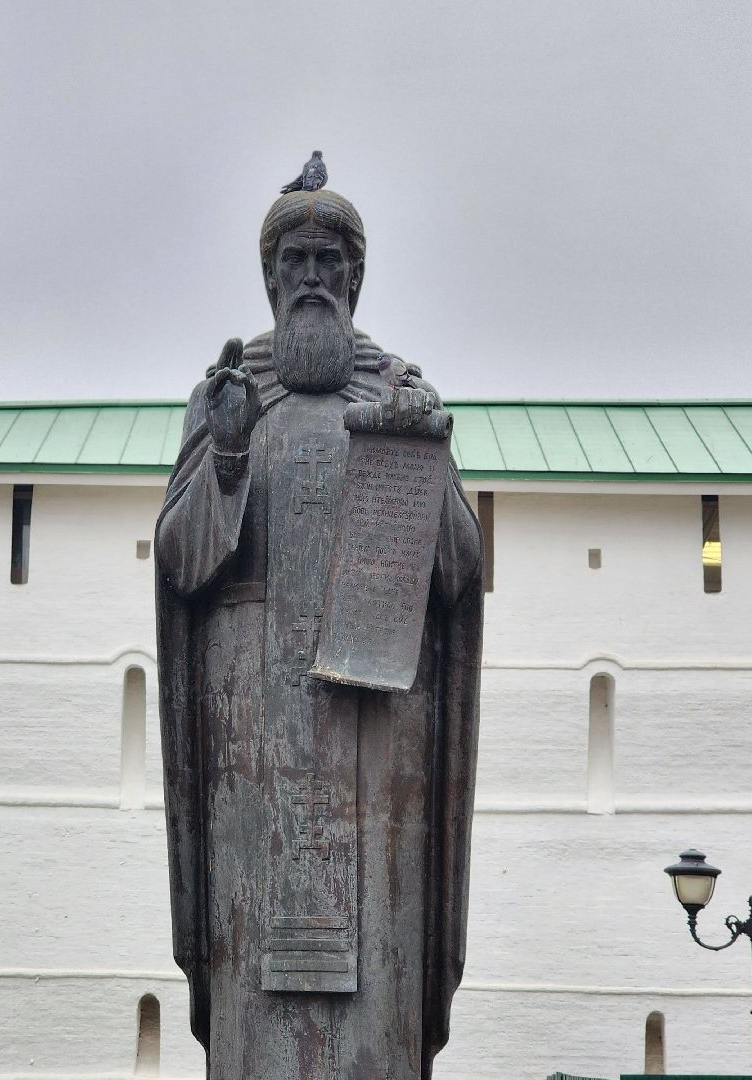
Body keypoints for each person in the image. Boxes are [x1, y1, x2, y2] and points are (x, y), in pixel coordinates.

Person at [155, 186, 484, 1079]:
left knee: (379, 975)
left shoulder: (399, 395)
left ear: (355, 278)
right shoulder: (227, 398)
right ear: (269, 279)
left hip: (380, 756)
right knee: (252, 978)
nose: (310, 278)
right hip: (251, 753)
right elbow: (180, 563)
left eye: (327, 262)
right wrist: (228, 458)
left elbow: (459, 569)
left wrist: (420, 456)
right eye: (292, 262)